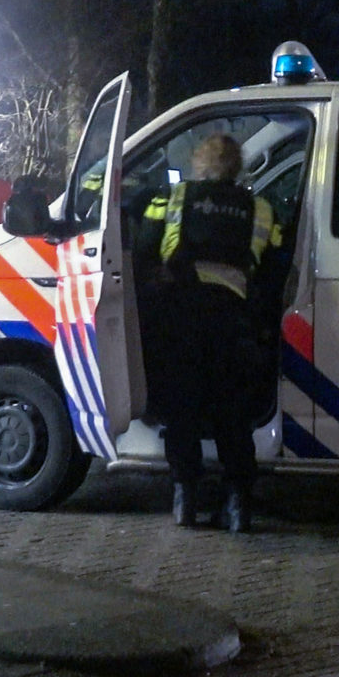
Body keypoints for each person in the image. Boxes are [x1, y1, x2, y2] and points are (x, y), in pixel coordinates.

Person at [138, 132, 276, 533]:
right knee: (231, 413)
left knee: (181, 409)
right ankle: (237, 506)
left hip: (181, 315)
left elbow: (145, 245)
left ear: (199, 163)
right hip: (233, 320)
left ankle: (185, 498)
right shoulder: (260, 208)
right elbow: (271, 265)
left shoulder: (175, 198)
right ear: (238, 166)